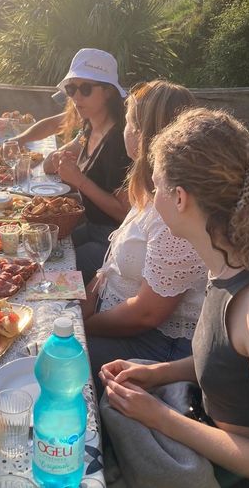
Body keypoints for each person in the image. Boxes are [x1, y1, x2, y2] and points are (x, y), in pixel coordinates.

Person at [101, 108, 249, 487]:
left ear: (179, 197)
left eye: (155, 186)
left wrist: (159, 417)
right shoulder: (226, 262)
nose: (151, 199)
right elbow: (227, 361)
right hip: (205, 428)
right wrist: (157, 372)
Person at [82, 80, 207, 396]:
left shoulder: (176, 210)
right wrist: (89, 295)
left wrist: (82, 327)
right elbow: (114, 259)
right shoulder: (151, 187)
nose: (124, 130)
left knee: (53, 363)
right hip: (126, 323)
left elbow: (148, 314)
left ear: (141, 134)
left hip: (160, 346)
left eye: (128, 123)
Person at [43, 48, 131, 284]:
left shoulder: (119, 143)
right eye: (71, 89)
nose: (76, 97)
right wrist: (58, 159)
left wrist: (79, 180)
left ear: (109, 92)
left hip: (112, 240)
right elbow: (50, 164)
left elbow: (124, 213)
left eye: (86, 88)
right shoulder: (90, 127)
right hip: (91, 227)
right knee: (38, 250)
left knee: (49, 277)